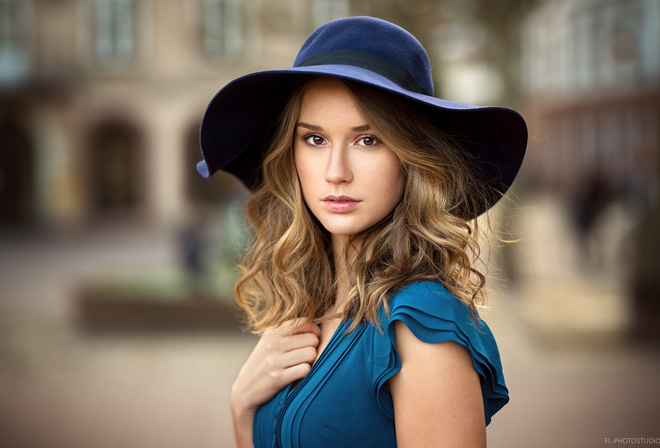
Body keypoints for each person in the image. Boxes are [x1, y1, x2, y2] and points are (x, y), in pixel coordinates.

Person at [196, 16, 527, 448]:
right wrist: (242, 407)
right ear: (290, 154)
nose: (336, 173)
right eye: (314, 140)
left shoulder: (423, 323)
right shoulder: (310, 306)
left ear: (411, 158)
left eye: (367, 140)